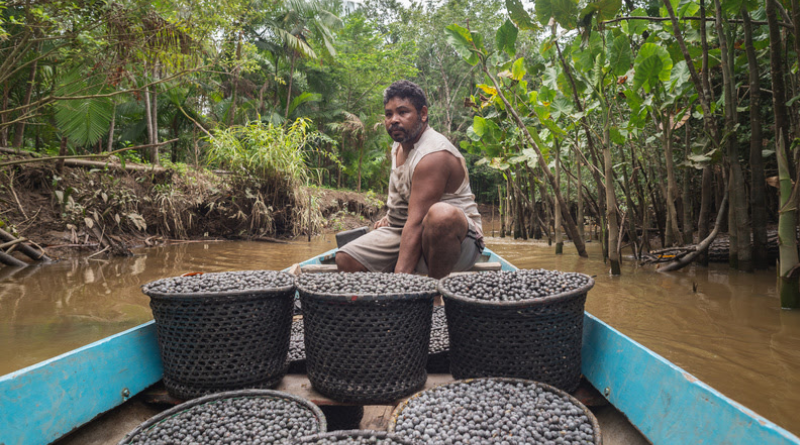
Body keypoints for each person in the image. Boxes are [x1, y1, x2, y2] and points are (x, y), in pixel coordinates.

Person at [335, 80, 483, 279]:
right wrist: (391, 217)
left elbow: (415, 224)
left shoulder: (433, 154)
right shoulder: (399, 143)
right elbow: (406, 197)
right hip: (404, 229)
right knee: (346, 259)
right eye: (389, 114)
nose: (394, 120)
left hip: (458, 242)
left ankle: (434, 293)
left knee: (441, 215)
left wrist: (400, 283)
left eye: (402, 112)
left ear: (423, 114)